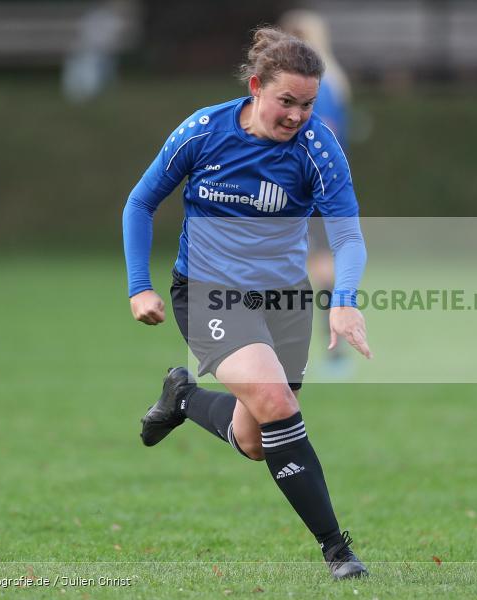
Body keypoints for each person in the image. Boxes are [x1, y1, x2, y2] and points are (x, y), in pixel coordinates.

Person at [121, 27, 371, 580]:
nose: (297, 116)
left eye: (307, 104)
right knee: (279, 404)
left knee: (256, 440)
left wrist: (345, 301)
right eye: (287, 101)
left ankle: (183, 398)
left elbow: (348, 237)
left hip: (284, 305)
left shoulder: (318, 146)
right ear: (256, 87)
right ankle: (339, 552)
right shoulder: (203, 132)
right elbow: (140, 203)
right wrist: (140, 286)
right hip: (208, 293)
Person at [280, 9, 355, 375]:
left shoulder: (313, 86)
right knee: (316, 266)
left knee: (316, 267)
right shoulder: (334, 82)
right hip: (318, 190)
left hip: (306, 190)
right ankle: (331, 346)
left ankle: (330, 345)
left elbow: (324, 137)